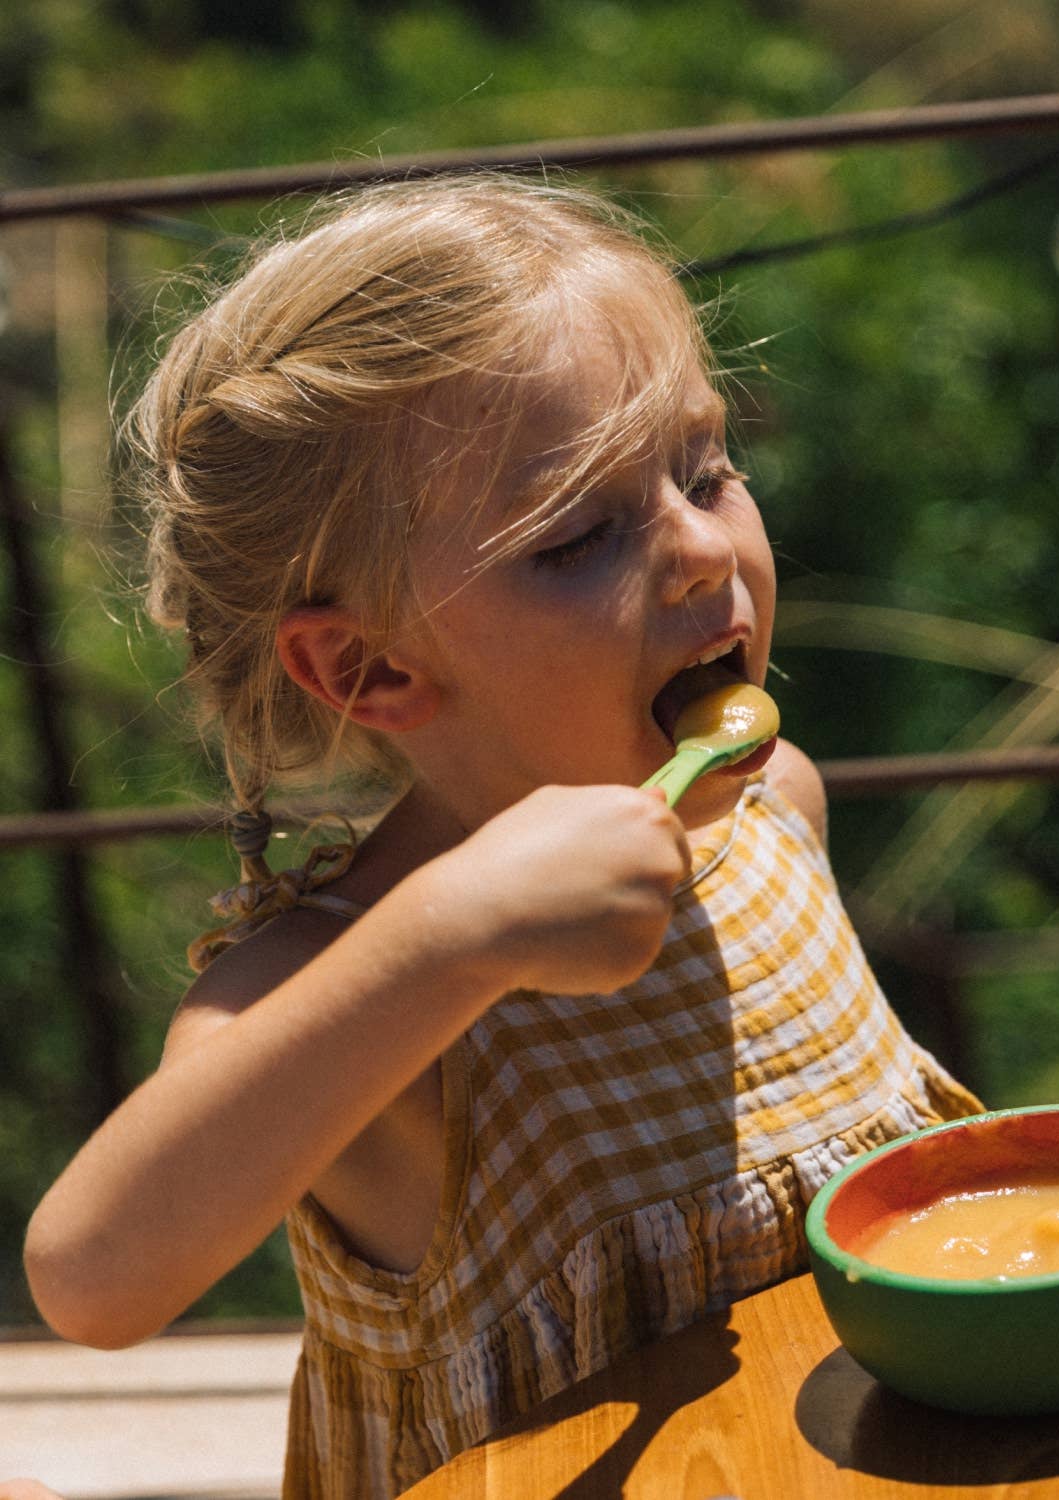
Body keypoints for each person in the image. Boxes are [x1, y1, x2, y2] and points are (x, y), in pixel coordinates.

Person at [20, 175, 982, 1500]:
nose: (706, 550)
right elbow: (92, 1276)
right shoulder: (349, 980)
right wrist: (448, 943)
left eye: (706, 471)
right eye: (583, 535)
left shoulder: (779, 811)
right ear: (368, 668)